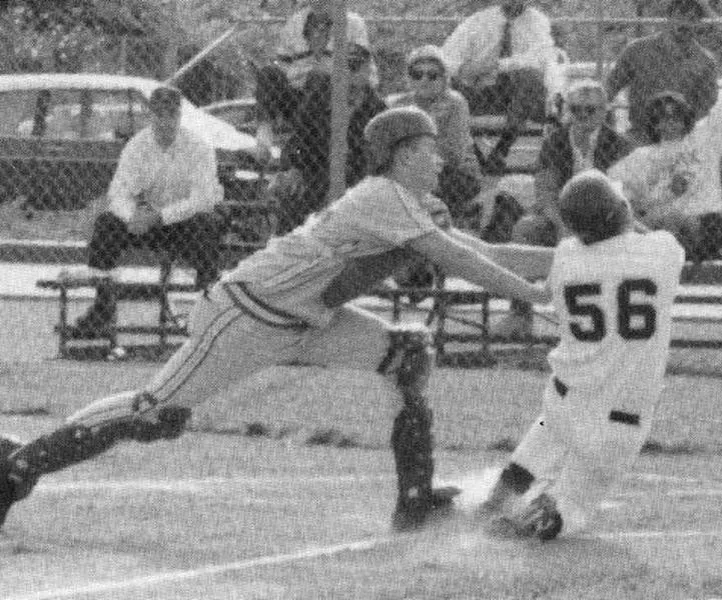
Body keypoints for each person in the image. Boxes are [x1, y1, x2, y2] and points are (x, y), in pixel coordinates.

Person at [0, 106, 556, 534]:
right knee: (155, 413)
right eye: (430, 150)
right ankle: (18, 466)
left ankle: (415, 499)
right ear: (400, 154)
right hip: (247, 313)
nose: (440, 160)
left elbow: (488, 252)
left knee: (407, 353)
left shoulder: (410, 206)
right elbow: (459, 261)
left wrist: (578, 261)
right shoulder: (381, 195)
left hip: (304, 319)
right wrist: (536, 296)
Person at [476, 169, 685, 542]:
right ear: (620, 212)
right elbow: (631, 233)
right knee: (569, 508)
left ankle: (500, 497)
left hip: (564, 403)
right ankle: (540, 516)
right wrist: (618, 211)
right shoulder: (663, 250)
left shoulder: (567, 258)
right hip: (619, 423)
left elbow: (590, 244)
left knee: (547, 431)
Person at [64, 86, 224, 338]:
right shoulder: (136, 146)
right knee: (107, 223)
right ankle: (103, 307)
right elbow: (118, 193)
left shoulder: (198, 147)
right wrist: (133, 217)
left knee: (208, 223)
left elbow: (202, 199)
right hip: (145, 225)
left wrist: (161, 216)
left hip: (184, 225)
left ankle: (208, 312)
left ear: (180, 115)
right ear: (150, 116)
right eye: (159, 114)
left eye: (171, 114)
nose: (165, 121)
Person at [494, 80, 633, 337]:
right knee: (525, 229)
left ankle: (608, 322)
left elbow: (620, 199)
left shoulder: (618, 144)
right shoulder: (555, 141)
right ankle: (519, 314)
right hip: (559, 216)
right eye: (575, 109)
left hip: (604, 223)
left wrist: (589, 230)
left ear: (604, 112)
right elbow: (546, 193)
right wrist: (563, 226)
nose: (582, 116)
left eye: (590, 110)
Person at [607, 61, 722, 262]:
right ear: (654, 123)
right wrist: (640, 209)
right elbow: (612, 185)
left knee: (675, 222)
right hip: (662, 226)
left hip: (705, 223)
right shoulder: (642, 156)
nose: (670, 121)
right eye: (662, 117)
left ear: (686, 117)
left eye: (676, 115)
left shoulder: (704, 139)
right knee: (655, 221)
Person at [441, 0, 566, 174]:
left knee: (530, 76)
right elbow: (446, 58)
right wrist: (466, 69)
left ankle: (500, 150)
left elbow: (537, 59)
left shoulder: (538, 22)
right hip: (479, 91)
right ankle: (475, 154)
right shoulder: (479, 21)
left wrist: (497, 65)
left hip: (519, 97)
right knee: (443, 82)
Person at [272, 44, 386, 235]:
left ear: (368, 70)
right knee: (295, 194)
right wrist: (294, 168)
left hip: (358, 175)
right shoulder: (318, 98)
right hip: (316, 172)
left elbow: (378, 157)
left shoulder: (377, 109)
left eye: (356, 66)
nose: (350, 72)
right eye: (345, 65)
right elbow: (299, 139)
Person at [254, 0, 378, 156]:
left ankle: (297, 143)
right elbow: (283, 65)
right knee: (268, 73)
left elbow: (362, 72)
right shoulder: (295, 22)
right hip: (301, 94)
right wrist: (298, 74)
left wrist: (326, 72)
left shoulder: (353, 23)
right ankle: (264, 137)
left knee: (318, 77)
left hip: (335, 98)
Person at [388, 45, 482, 226]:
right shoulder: (399, 104)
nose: (424, 80)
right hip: (411, 169)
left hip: (456, 172)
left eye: (432, 75)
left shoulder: (455, 103)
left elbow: (453, 153)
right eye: (417, 74)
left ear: (444, 78)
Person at [605, 0, 719, 147]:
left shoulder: (705, 61)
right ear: (668, 17)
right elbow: (608, 90)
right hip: (640, 136)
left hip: (681, 140)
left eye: (691, 18)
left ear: (698, 23)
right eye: (679, 16)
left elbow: (706, 108)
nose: (684, 23)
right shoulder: (637, 50)